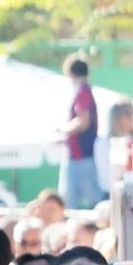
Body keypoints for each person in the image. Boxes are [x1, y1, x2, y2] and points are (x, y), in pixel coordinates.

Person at [59, 56, 101, 209]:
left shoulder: (82, 92)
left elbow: (83, 121)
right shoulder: (85, 91)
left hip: (80, 155)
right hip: (82, 154)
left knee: (77, 200)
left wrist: (63, 130)